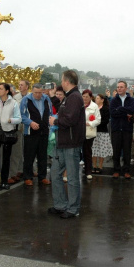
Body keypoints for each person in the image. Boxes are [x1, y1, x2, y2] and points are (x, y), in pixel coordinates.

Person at [48, 70, 86, 219]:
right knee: (55, 174)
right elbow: (66, 112)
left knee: (72, 178)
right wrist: (53, 97)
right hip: (62, 143)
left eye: (62, 80)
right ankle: (60, 205)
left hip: (71, 144)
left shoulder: (75, 97)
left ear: (67, 81)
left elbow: (70, 119)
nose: (61, 83)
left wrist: (55, 121)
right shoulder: (70, 97)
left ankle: (73, 208)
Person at [20, 83, 53, 186]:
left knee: (43, 156)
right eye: (36, 93)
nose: (38, 95)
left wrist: (51, 123)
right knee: (29, 156)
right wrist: (30, 122)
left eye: (40, 93)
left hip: (44, 132)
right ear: (32, 91)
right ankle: (28, 177)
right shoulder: (26, 99)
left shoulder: (46, 99)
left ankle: (42, 177)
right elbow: (21, 115)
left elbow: (51, 113)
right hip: (30, 132)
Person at [110, 81, 134, 179]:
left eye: (121, 87)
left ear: (126, 88)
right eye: (118, 87)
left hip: (127, 129)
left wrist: (120, 109)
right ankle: (116, 170)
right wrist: (125, 111)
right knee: (116, 151)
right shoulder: (113, 100)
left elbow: (132, 110)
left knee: (127, 151)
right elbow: (112, 113)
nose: (119, 89)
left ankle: (126, 170)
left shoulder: (131, 100)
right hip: (116, 129)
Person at [10, 80, 31, 181]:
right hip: (18, 126)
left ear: (27, 86)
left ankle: (29, 169)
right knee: (17, 151)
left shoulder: (31, 96)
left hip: (29, 126)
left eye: (22, 85)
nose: (20, 86)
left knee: (28, 149)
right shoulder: (15, 98)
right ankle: (17, 171)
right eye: (19, 85)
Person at [82, 89, 101, 180]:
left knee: (87, 152)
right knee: (75, 153)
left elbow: (98, 120)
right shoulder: (78, 104)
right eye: (83, 96)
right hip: (78, 132)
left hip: (89, 132)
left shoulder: (94, 106)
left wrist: (89, 123)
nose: (85, 98)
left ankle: (88, 171)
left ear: (90, 97)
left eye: (87, 97)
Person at [92, 94, 113, 173]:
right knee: (94, 149)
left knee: (102, 149)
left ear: (102, 100)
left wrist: (96, 123)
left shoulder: (106, 109)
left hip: (102, 131)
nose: (96, 99)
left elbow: (106, 120)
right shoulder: (93, 108)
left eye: (98, 98)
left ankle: (100, 166)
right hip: (93, 131)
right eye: (96, 98)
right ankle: (94, 165)